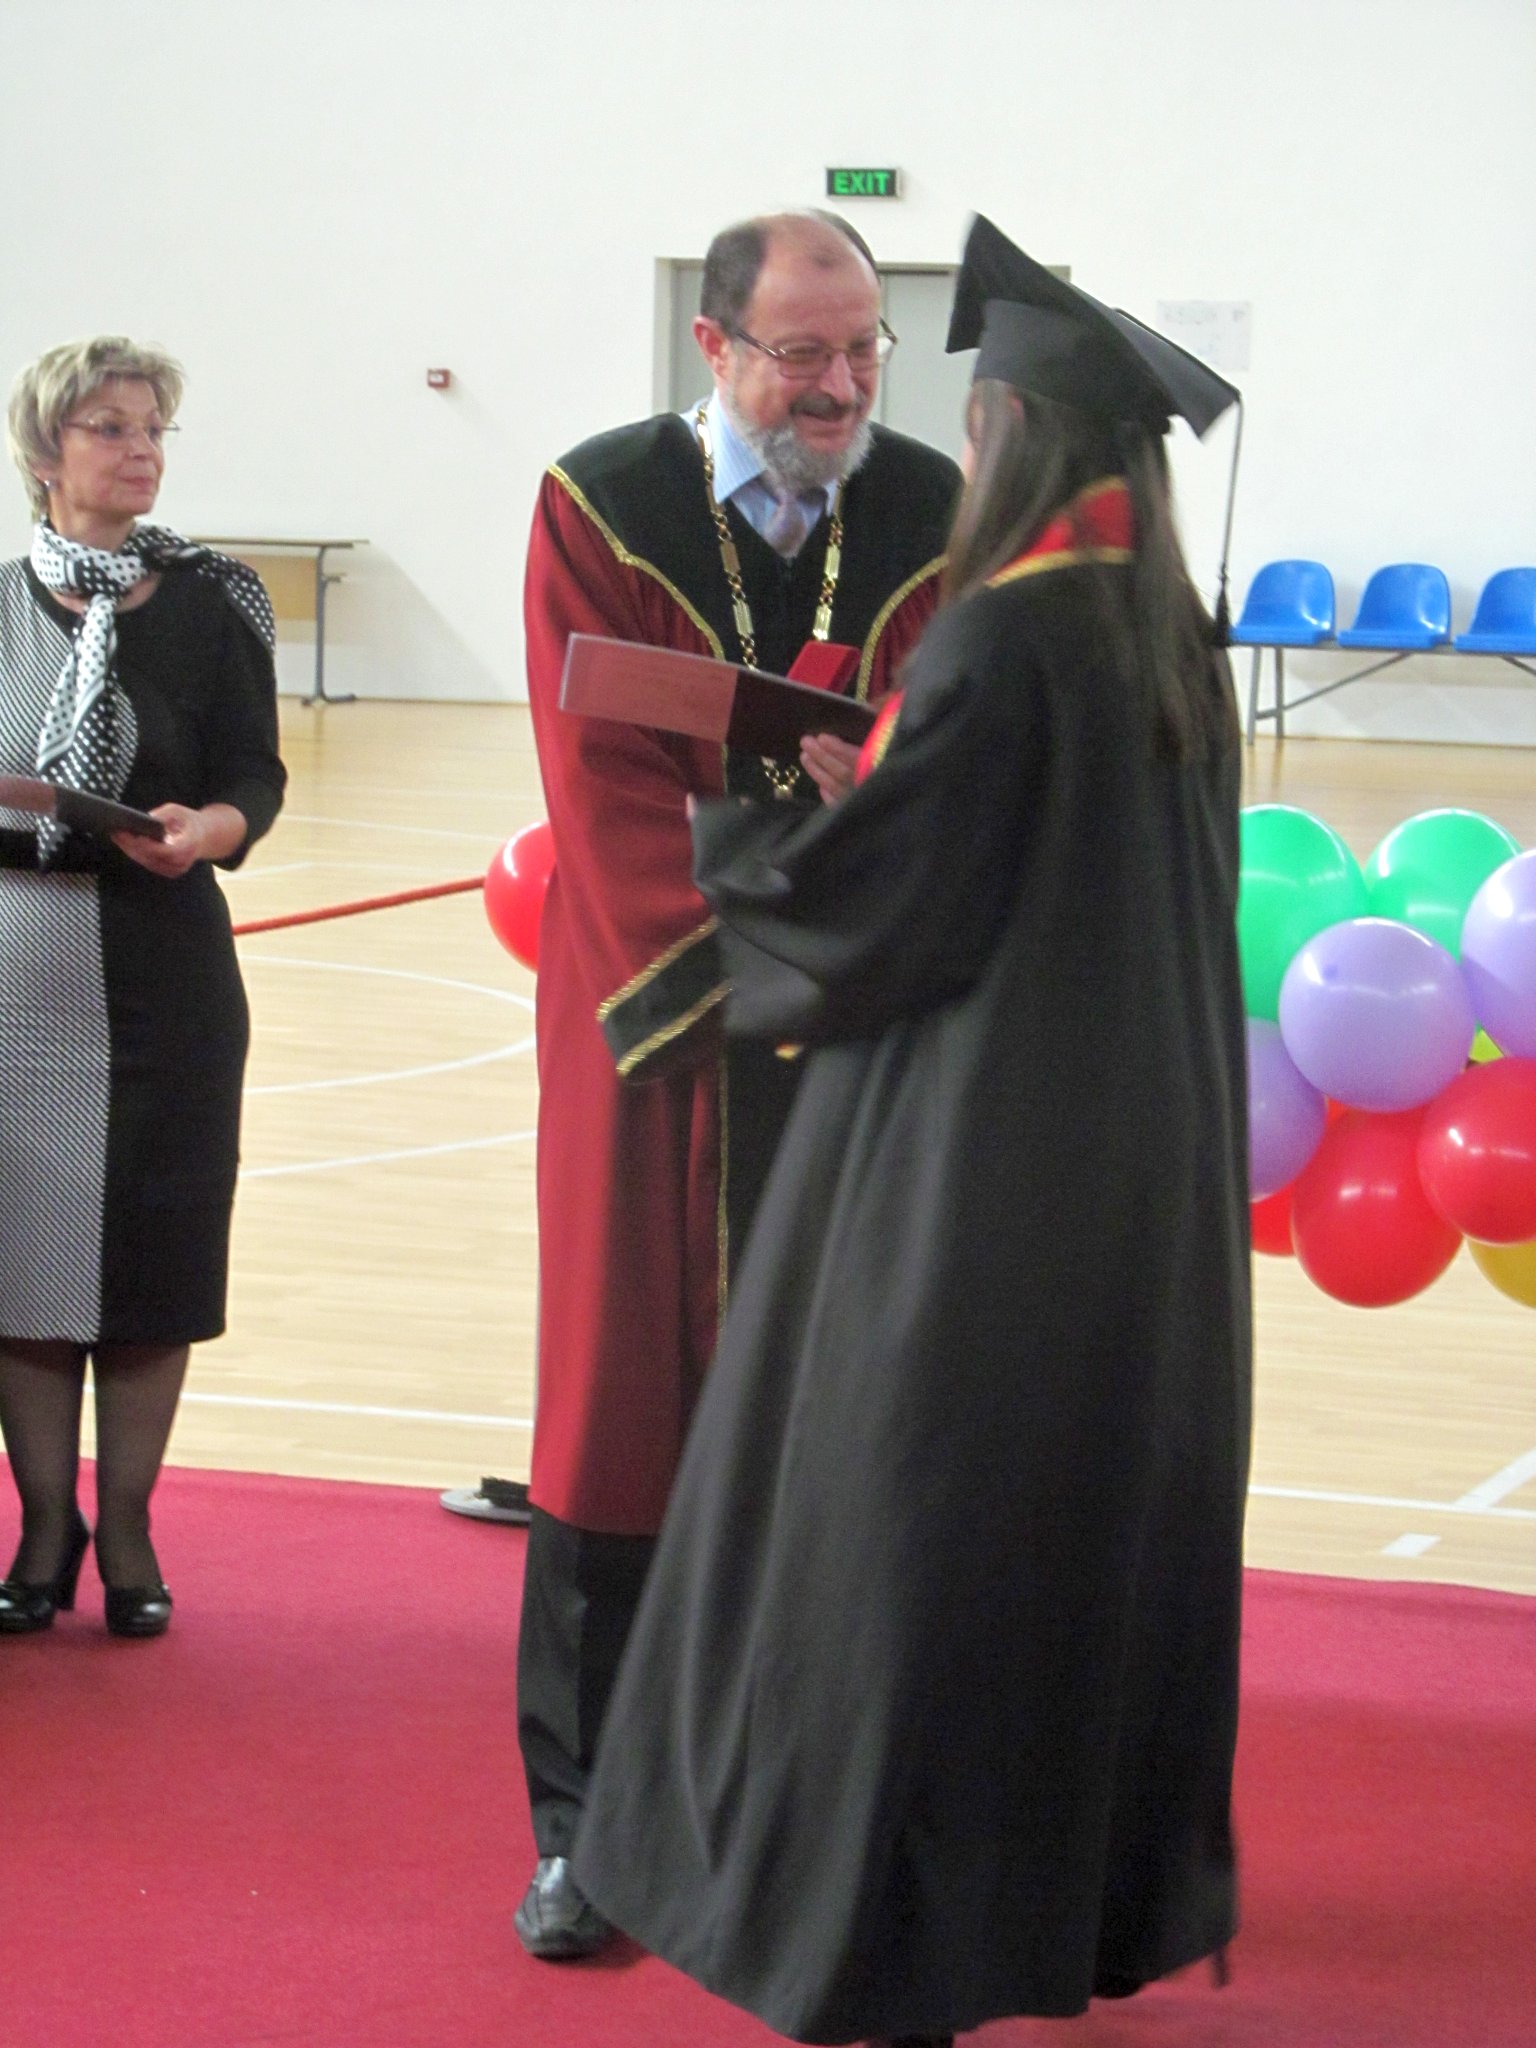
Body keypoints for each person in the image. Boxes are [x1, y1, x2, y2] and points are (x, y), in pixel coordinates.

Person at [571, 215, 1253, 2048]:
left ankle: (894, 1954)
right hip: (1139, 1177)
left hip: (978, 1172)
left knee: (898, 1546)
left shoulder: (1007, 634)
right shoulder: (1170, 627)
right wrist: (895, 780)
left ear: (1011, 432)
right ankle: (1056, 1913)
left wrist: (779, 831)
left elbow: (885, 918)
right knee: (1068, 1551)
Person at [514, 210, 961, 1956]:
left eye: (862, 350)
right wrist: (762, 937)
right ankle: (590, 1833)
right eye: (800, 353)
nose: (839, 385)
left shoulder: (934, 511)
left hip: (859, 1031)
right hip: (660, 1031)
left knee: (846, 1420)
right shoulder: (600, 503)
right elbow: (602, 782)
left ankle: (803, 1802)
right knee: (616, 1405)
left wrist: (893, 800)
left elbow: (955, 748)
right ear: (714, 346)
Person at [0, 337, 285, 1640]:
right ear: (44, 451)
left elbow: (255, 777)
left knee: (153, 1257)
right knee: (23, 1261)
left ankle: (127, 1526)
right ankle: (41, 1526)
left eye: (154, 428)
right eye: (110, 428)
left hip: (166, 964)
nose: (140, 450)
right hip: (19, 972)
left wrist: (208, 830)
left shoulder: (216, 604)